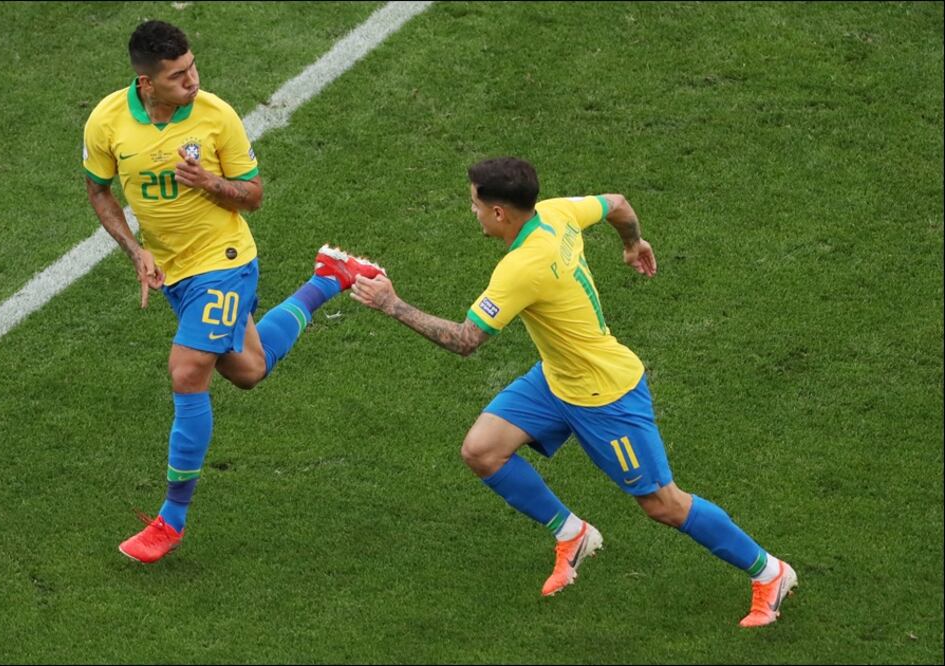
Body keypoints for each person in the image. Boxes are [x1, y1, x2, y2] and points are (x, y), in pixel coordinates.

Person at [350, 157, 797, 627]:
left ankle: (770, 572)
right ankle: (573, 533)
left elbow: (465, 340)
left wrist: (392, 304)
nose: (473, 212)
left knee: (663, 504)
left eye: (475, 204)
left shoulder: (521, 268)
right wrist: (634, 244)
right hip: (557, 378)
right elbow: (617, 204)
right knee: (482, 450)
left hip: (605, 395)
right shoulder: (556, 212)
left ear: (499, 212)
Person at [83, 20, 385, 564]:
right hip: (175, 273)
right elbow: (99, 191)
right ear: (146, 83)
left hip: (225, 263)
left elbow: (253, 195)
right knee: (248, 370)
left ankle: (171, 520)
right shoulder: (107, 122)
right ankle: (330, 277)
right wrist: (135, 250)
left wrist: (210, 183)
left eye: (193, 66)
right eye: (178, 75)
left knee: (186, 370)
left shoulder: (216, 116)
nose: (193, 80)